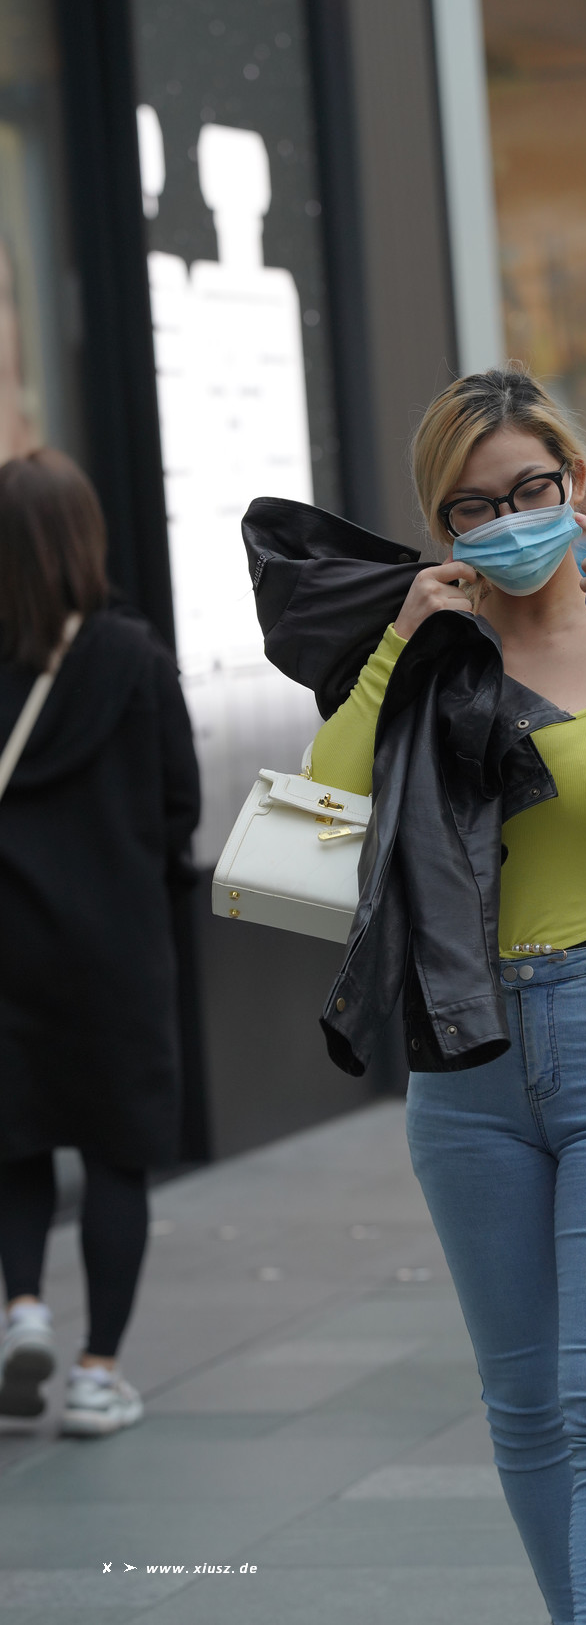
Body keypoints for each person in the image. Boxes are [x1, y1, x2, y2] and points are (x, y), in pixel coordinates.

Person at [307, 368, 586, 1625]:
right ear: (439, 524)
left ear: (577, 483)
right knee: (522, 1403)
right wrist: (397, 646)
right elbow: (328, 810)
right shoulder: (434, 661)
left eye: (528, 490)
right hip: (465, 1055)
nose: (505, 522)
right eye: (471, 506)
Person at [0, 449, 200, 1436]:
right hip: (118, 950)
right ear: (88, 538)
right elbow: (179, 807)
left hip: (7, 950)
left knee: (15, 1141)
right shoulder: (135, 658)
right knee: (118, 1156)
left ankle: (24, 1309)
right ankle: (94, 1373)